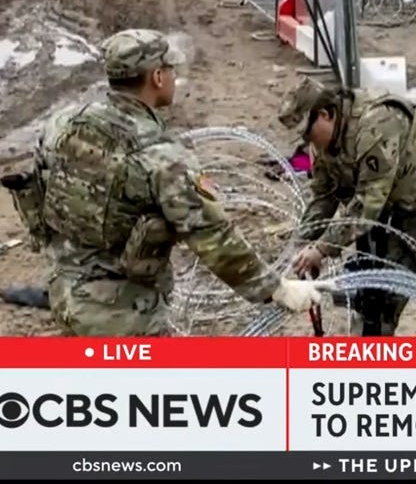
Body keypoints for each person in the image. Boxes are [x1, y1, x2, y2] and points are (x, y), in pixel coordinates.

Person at [1, 29, 323, 336]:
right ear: (157, 77)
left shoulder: (62, 125)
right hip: (126, 317)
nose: (172, 77)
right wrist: (277, 290)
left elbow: (40, 196)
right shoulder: (161, 155)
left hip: (66, 296)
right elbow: (214, 237)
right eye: (169, 69)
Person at [277, 76, 416, 346]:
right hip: (394, 217)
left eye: (307, 133)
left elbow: (366, 204)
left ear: (326, 114)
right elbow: (325, 195)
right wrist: (303, 241)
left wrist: (322, 248)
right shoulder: (324, 143)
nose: (306, 144)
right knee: (376, 299)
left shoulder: (376, 124)